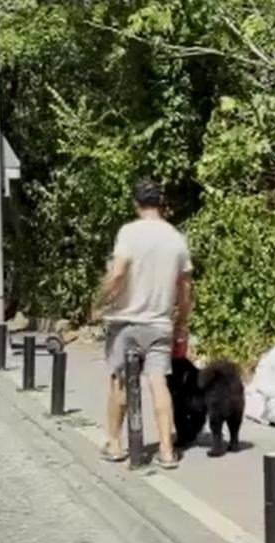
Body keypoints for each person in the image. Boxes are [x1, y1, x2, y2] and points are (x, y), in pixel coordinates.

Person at [93, 180, 194, 469]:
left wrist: (99, 303)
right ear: (161, 203)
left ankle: (114, 443)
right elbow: (186, 287)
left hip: (126, 322)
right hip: (160, 323)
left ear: (136, 203)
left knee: (121, 380)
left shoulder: (129, 232)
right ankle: (166, 449)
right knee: (158, 382)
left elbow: (117, 274)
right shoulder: (176, 238)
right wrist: (181, 322)